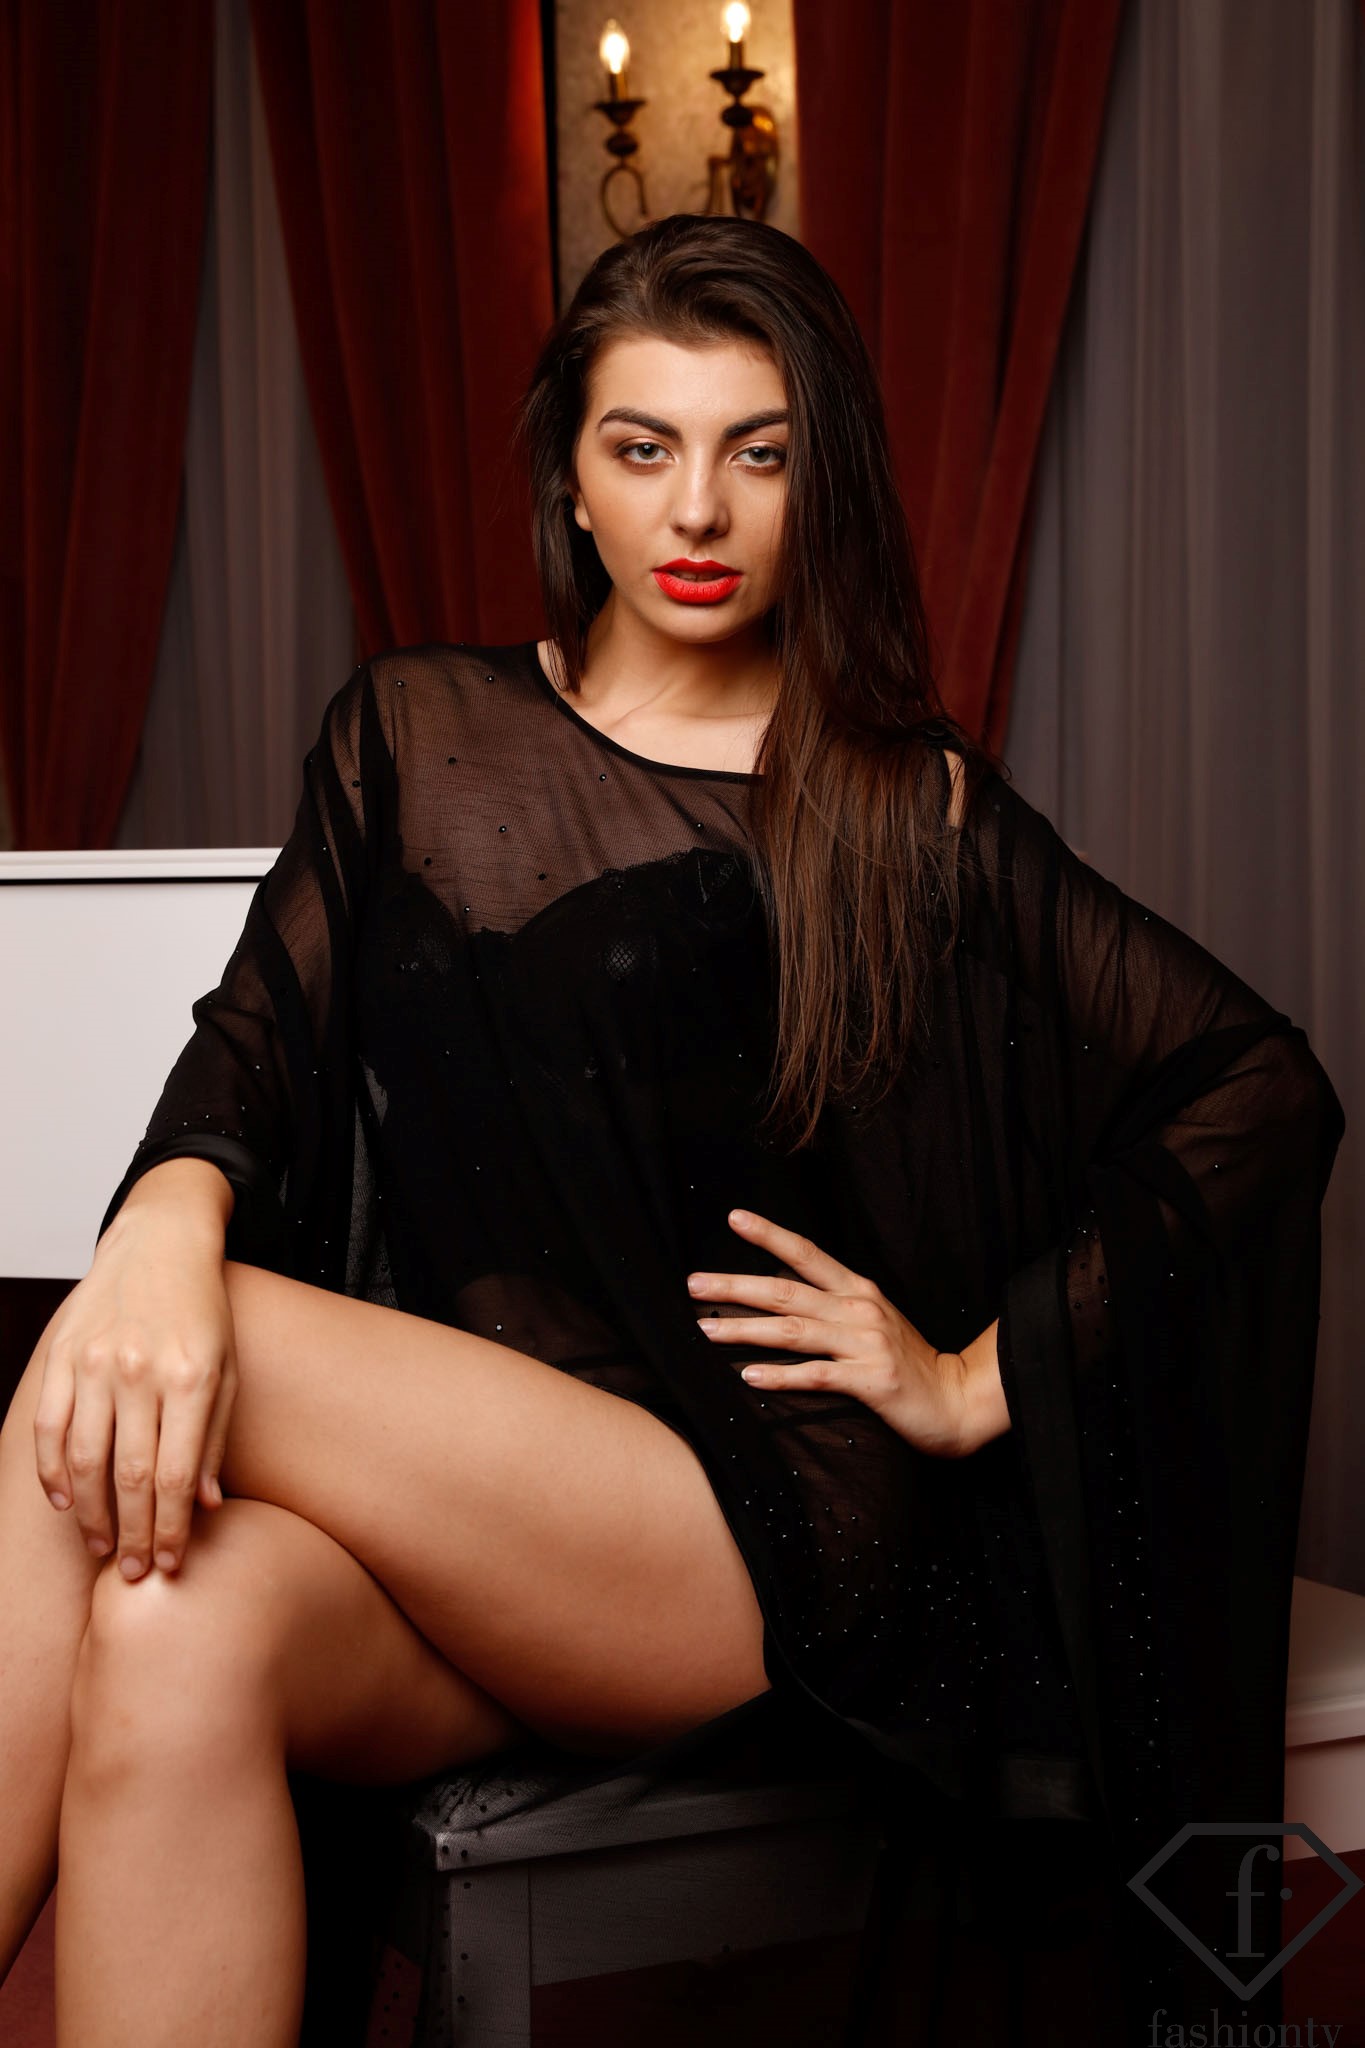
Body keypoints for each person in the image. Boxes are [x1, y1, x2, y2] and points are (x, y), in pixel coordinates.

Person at [0, 212, 1344, 2047]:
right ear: (572, 472)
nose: (697, 509)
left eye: (756, 454)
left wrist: (972, 1379)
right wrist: (165, 1214)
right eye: (644, 448)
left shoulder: (899, 799)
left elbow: (1255, 1084)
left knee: (92, 1364)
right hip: (461, 1529)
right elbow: (254, 1049)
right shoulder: (411, 729)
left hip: (748, 1529)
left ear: (817, 481)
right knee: (168, 1626)